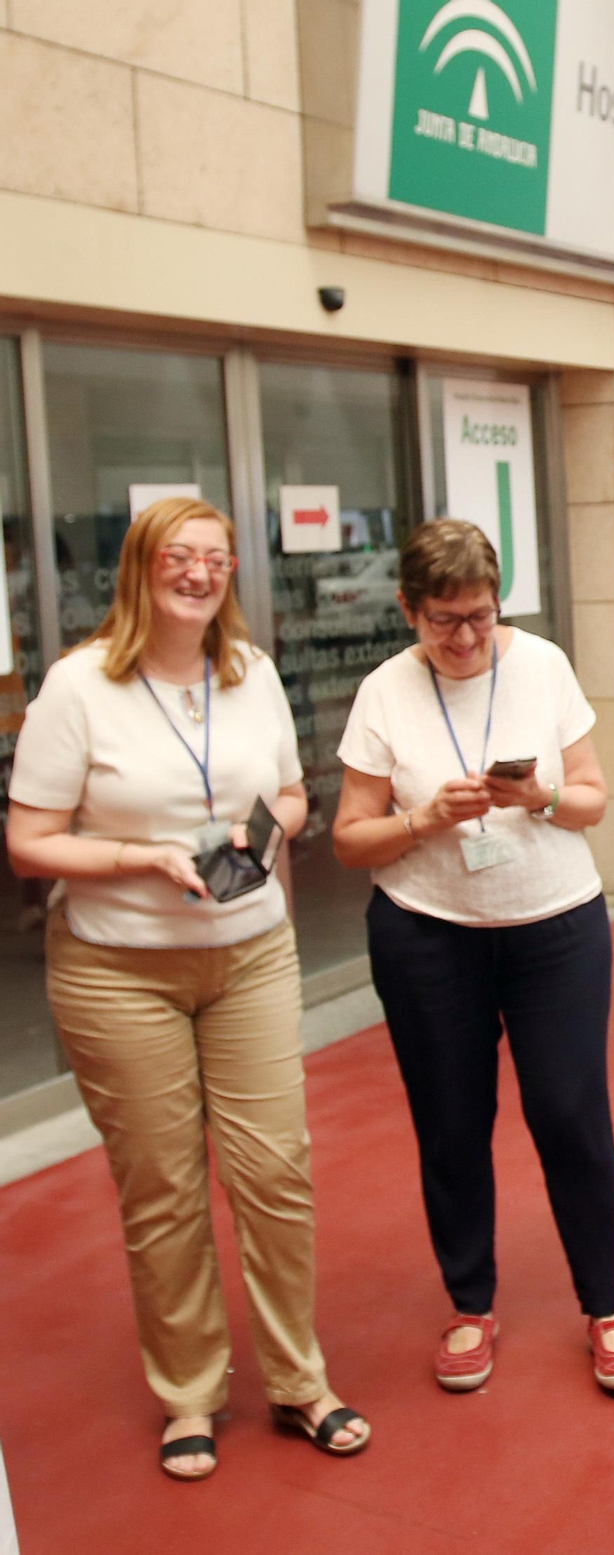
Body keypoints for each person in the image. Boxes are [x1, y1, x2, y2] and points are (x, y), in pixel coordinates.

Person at [5, 497, 368, 1482]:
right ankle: (189, 1394)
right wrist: (141, 857)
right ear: (140, 568)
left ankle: (300, 1381)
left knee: (275, 1175)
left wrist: (272, 827)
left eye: (215, 557)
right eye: (179, 556)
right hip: (119, 969)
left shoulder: (248, 675)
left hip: (248, 950)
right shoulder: (79, 688)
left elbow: (293, 792)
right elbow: (28, 840)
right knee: (163, 1191)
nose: (199, 573)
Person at [331, 518, 614, 1396]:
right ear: (408, 611)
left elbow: (592, 799)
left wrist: (540, 795)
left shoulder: (541, 664)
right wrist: (423, 818)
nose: (466, 638)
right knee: (452, 1124)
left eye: (479, 615)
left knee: (571, 1113)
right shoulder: (385, 692)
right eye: (444, 621)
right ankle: (471, 1302)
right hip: (428, 932)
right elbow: (351, 841)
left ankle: (607, 1308)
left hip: (554, 924)